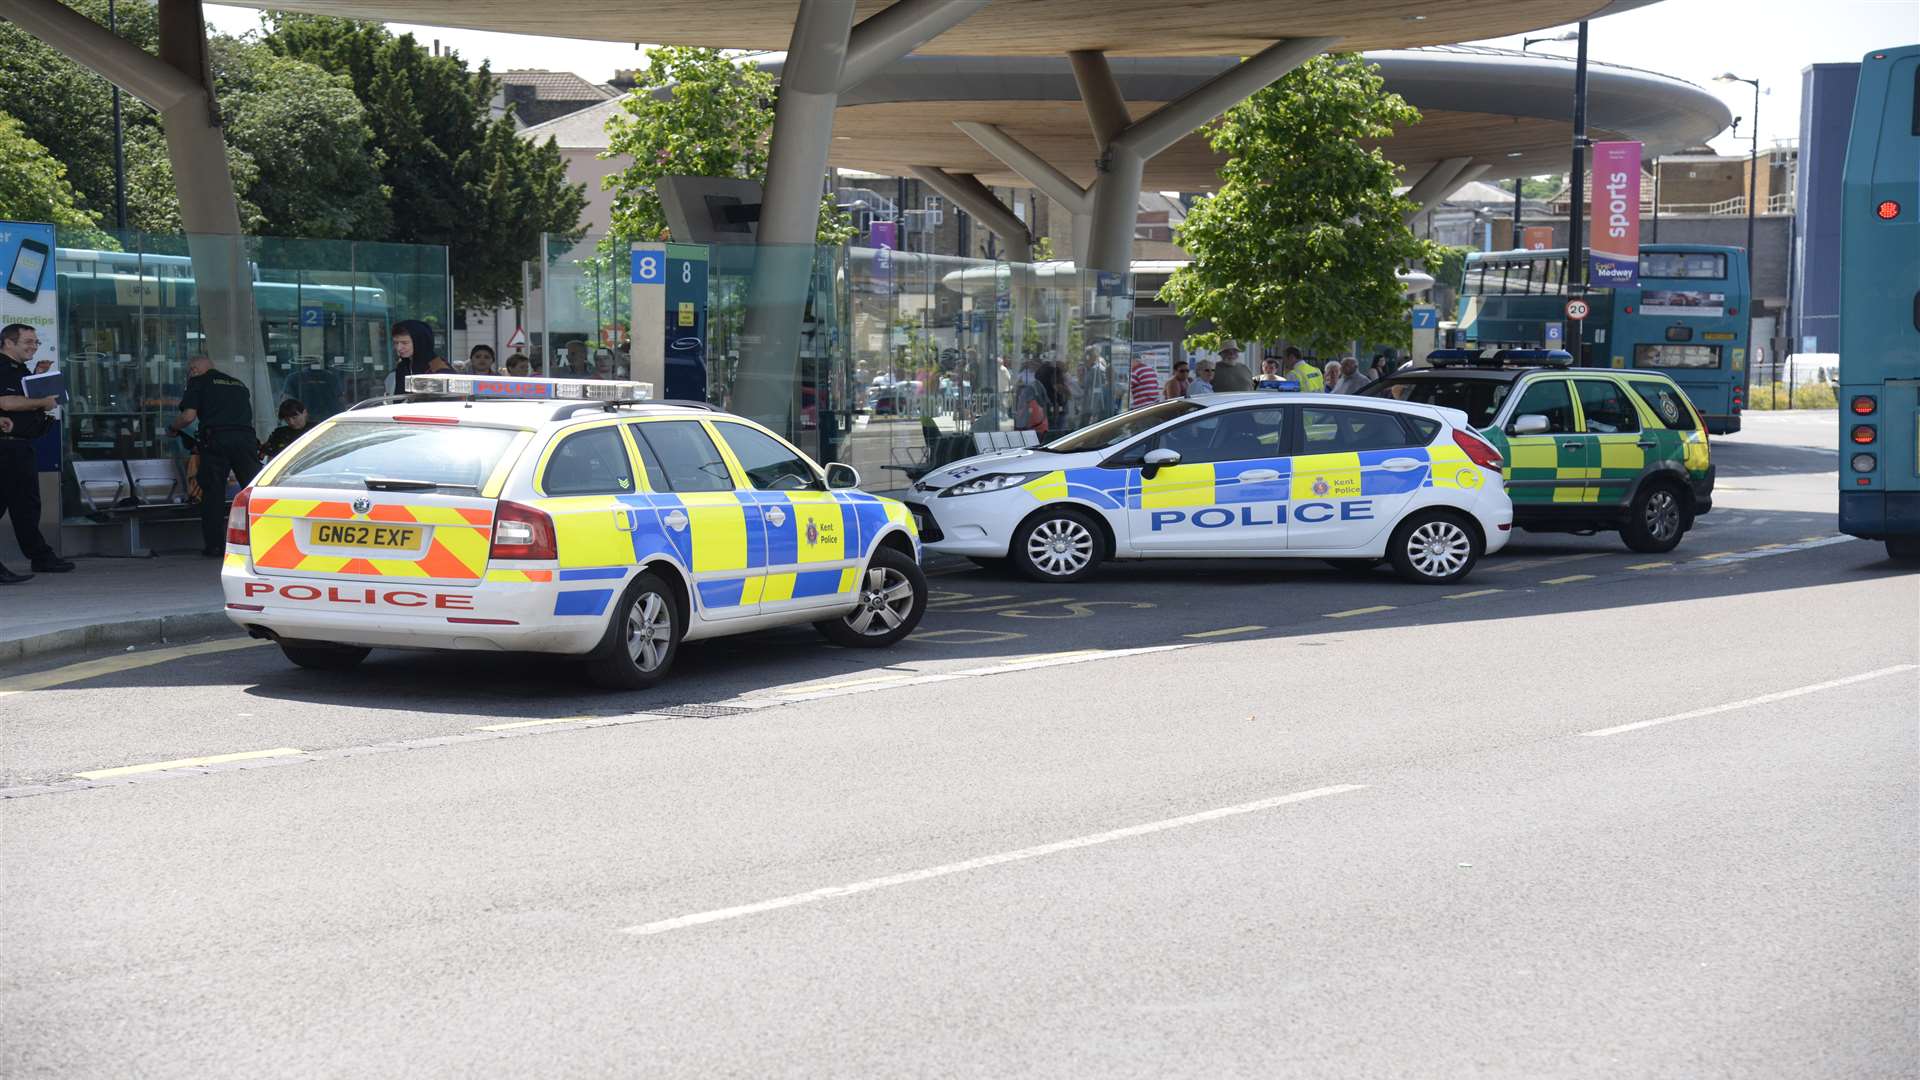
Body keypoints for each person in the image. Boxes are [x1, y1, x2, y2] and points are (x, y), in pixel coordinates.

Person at [167, 354, 261, 557]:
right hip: (245, 440)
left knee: (213, 493)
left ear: (194, 369)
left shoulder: (198, 381)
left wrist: (173, 427)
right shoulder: (238, 384)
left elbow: (188, 416)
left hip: (217, 440)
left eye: (189, 371)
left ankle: (215, 546)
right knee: (254, 491)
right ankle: (263, 541)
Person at [0, 323, 73, 580]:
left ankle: (41, 556)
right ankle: (40, 555)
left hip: (20, 444)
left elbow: (19, 397)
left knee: (26, 505)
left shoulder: (18, 369)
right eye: (28, 342)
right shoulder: (3, 367)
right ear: (9, 343)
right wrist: (43, 401)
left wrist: (37, 378)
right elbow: (5, 401)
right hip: (7, 446)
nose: (33, 346)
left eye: (35, 342)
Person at [384, 320, 441, 395]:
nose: (399, 348)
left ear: (419, 342)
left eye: (405, 343)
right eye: (396, 343)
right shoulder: (402, 366)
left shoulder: (438, 367)